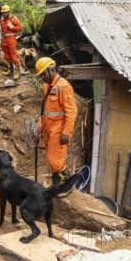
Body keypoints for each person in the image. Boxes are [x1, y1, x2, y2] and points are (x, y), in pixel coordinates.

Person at [35, 57, 78, 186]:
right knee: (51, 157)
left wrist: (66, 133)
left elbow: (72, 112)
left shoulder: (63, 86)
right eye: (40, 75)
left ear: (51, 69)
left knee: (54, 158)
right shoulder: (46, 86)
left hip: (59, 129)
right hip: (48, 128)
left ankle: (66, 182)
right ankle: (56, 181)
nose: (42, 77)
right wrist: (40, 125)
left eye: (43, 73)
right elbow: (44, 109)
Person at [0, 5, 23, 80]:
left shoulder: (13, 19)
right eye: (2, 13)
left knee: (13, 56)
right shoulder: (2, 20)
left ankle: (17, 72)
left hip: (11, 39)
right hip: (5, 39)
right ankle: (10, 71)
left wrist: (12, 27)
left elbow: (20, 28)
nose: (4, 14)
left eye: (5, 12)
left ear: (9, 12)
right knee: (7, 56)